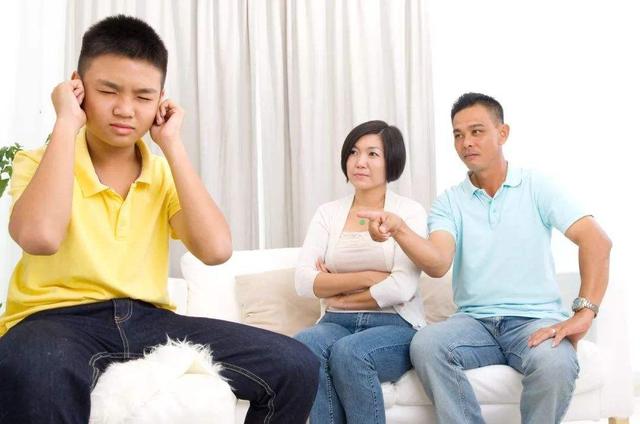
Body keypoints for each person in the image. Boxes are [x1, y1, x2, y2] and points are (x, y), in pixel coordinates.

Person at [0, 15, 317, 424]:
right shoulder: (39, 162)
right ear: (76, 87)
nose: (124, 109)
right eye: (107, 91)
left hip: (148, 320)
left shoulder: (162, 173)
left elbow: (216, 250)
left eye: (143, 97)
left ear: (161, 101)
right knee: (33, 367)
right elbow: (40, 237)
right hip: (54, 320)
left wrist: (172, 144)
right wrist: (65, 122)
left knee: (296, 366)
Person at [359, 93, 611, 423]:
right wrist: (399, 229)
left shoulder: (536, 186)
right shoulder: (449, 202)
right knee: (427, 344)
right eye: (458, 134)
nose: (466, 142)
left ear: (502, 133)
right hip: (474, 325)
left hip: (534, 321)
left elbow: (597, 242)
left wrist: (585, 313)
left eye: (476, 131)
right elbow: (438, 263)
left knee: (557, 364)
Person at [294, 120, 427, 424]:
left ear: (391, 161)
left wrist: (336, 289)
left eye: (372, 154)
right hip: (335, 322)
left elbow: (402, 288)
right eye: (353, 152)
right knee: (305, 346)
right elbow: (303, 281)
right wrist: (370, 278)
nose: (359, 162)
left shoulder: (409, 212)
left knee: (350, 352)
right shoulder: (328, 213)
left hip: (396, 323)